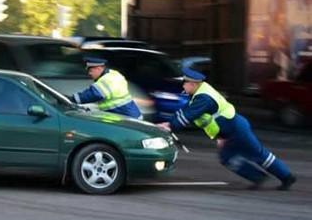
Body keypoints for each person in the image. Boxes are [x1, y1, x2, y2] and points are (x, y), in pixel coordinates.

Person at [157, 67, 296, 190]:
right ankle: (257, 177)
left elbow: (188, 115)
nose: (183, 85)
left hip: (237, 129)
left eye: (184, 83)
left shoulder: (203, 97)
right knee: (227, 157)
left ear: (193, 84)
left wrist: (170, 125)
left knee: (259, 155)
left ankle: (286, 177)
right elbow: (187, 112)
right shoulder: (199, 93)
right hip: (228, 131)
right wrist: (220, 137)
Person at [70, 57, 142, 119]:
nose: (89, 74)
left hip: (127, 119)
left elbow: (93, 94)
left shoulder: (106, 80)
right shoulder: (113, 74)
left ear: (98, 68)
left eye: (90, 71)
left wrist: (72, 99)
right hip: (129, 115)